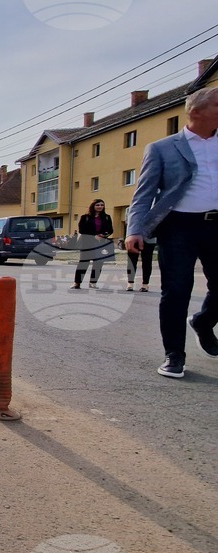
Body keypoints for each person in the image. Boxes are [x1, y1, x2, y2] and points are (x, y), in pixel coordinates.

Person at [126, 86, 218, 378]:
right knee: (177, 291)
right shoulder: (163, 148)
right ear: (196, 112)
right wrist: (135, 229)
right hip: (178, 225)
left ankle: (202, 322)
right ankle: (174, 354)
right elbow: (144, 193)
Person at [71, 199, 113, 289]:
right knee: (83, 262)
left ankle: (93, 282)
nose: (100, 206)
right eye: (97, 205)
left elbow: (110, 230)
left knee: (98, 263)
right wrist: (94, 236)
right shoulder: (85, 217)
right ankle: (77, 282)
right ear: (93, 206)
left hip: (100, 243)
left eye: (102, 205)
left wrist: (103, 235)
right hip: (87, 243)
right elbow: (82, 230)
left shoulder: (107, 217)